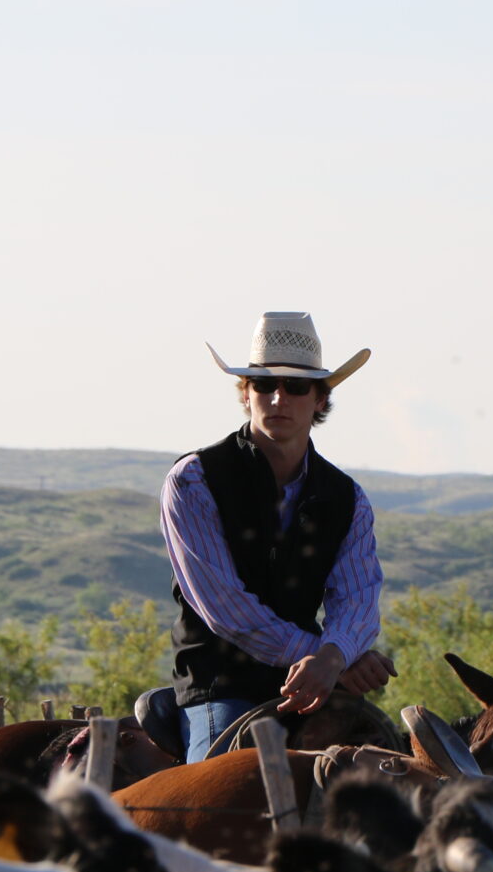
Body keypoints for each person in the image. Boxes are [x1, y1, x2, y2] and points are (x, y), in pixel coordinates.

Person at [159, 311, 396, 764]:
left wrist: (333, 657)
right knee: (218, 792)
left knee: (391, 785)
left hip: (315, 687)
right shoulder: (193, 481)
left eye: (296, 386)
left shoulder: (348, 498)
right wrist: (332, 659)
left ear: (320, 400)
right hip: (219, 684)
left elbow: (359, 598)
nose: (278, 397)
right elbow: (225, 608)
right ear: (245, 395)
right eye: (264, 385)